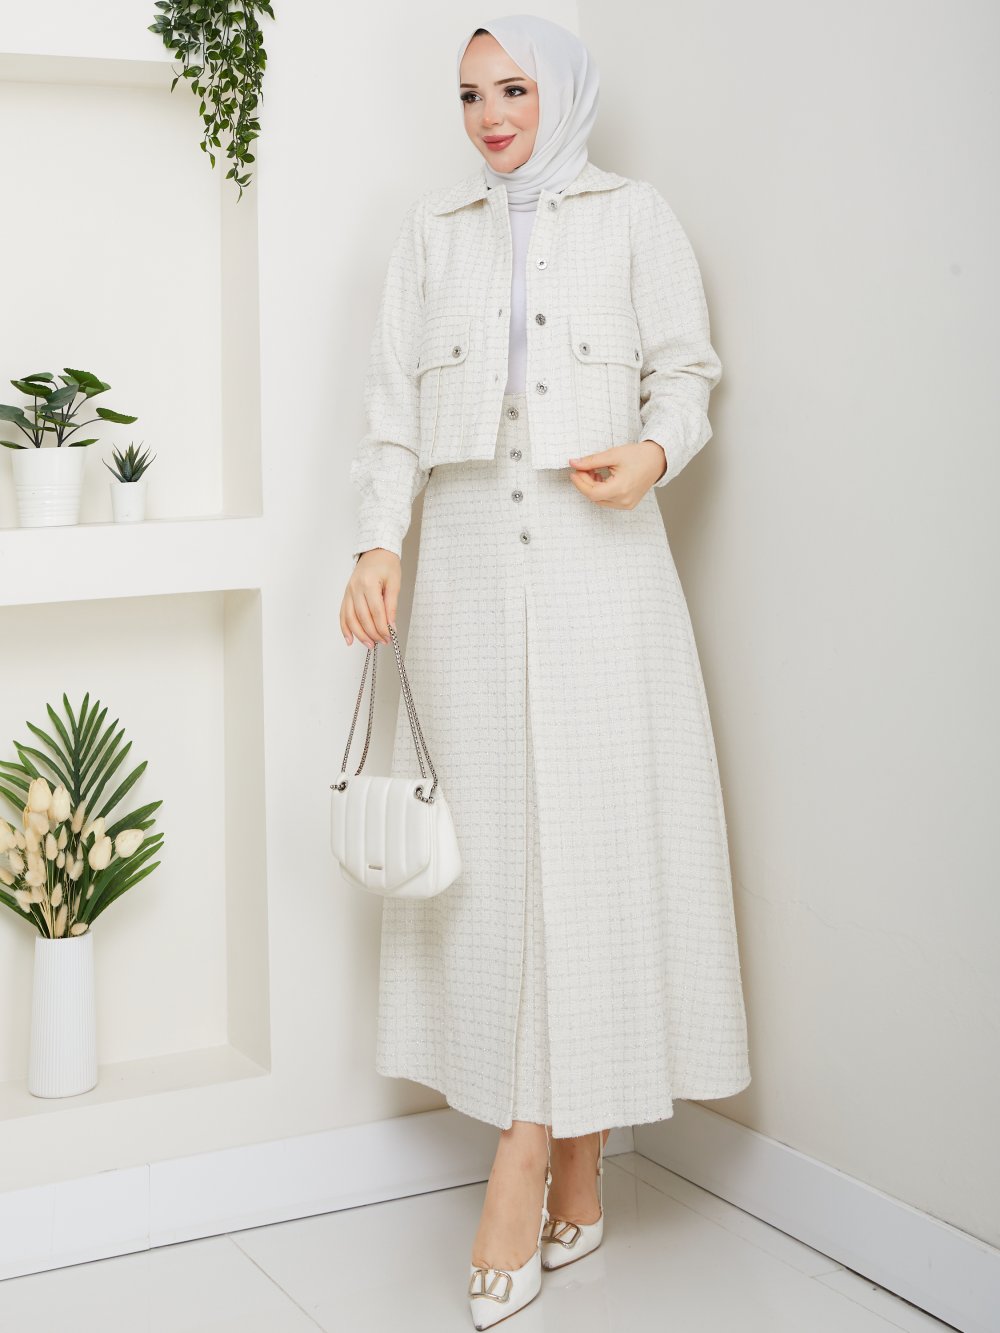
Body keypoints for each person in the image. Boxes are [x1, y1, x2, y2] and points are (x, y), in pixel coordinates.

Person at [340, 14, 751, 1327]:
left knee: (593, 856)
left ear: (560, 93)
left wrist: (655, 452)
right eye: (470, 94)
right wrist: (377, 545)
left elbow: (688, 371)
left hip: (602, 572)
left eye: (513, 87)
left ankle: (527, 1161)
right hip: (466, 570)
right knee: (506, 870)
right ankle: (572, 1161)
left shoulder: (637, 217)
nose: (492, 115)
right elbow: (390, 414)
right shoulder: (432, 233)